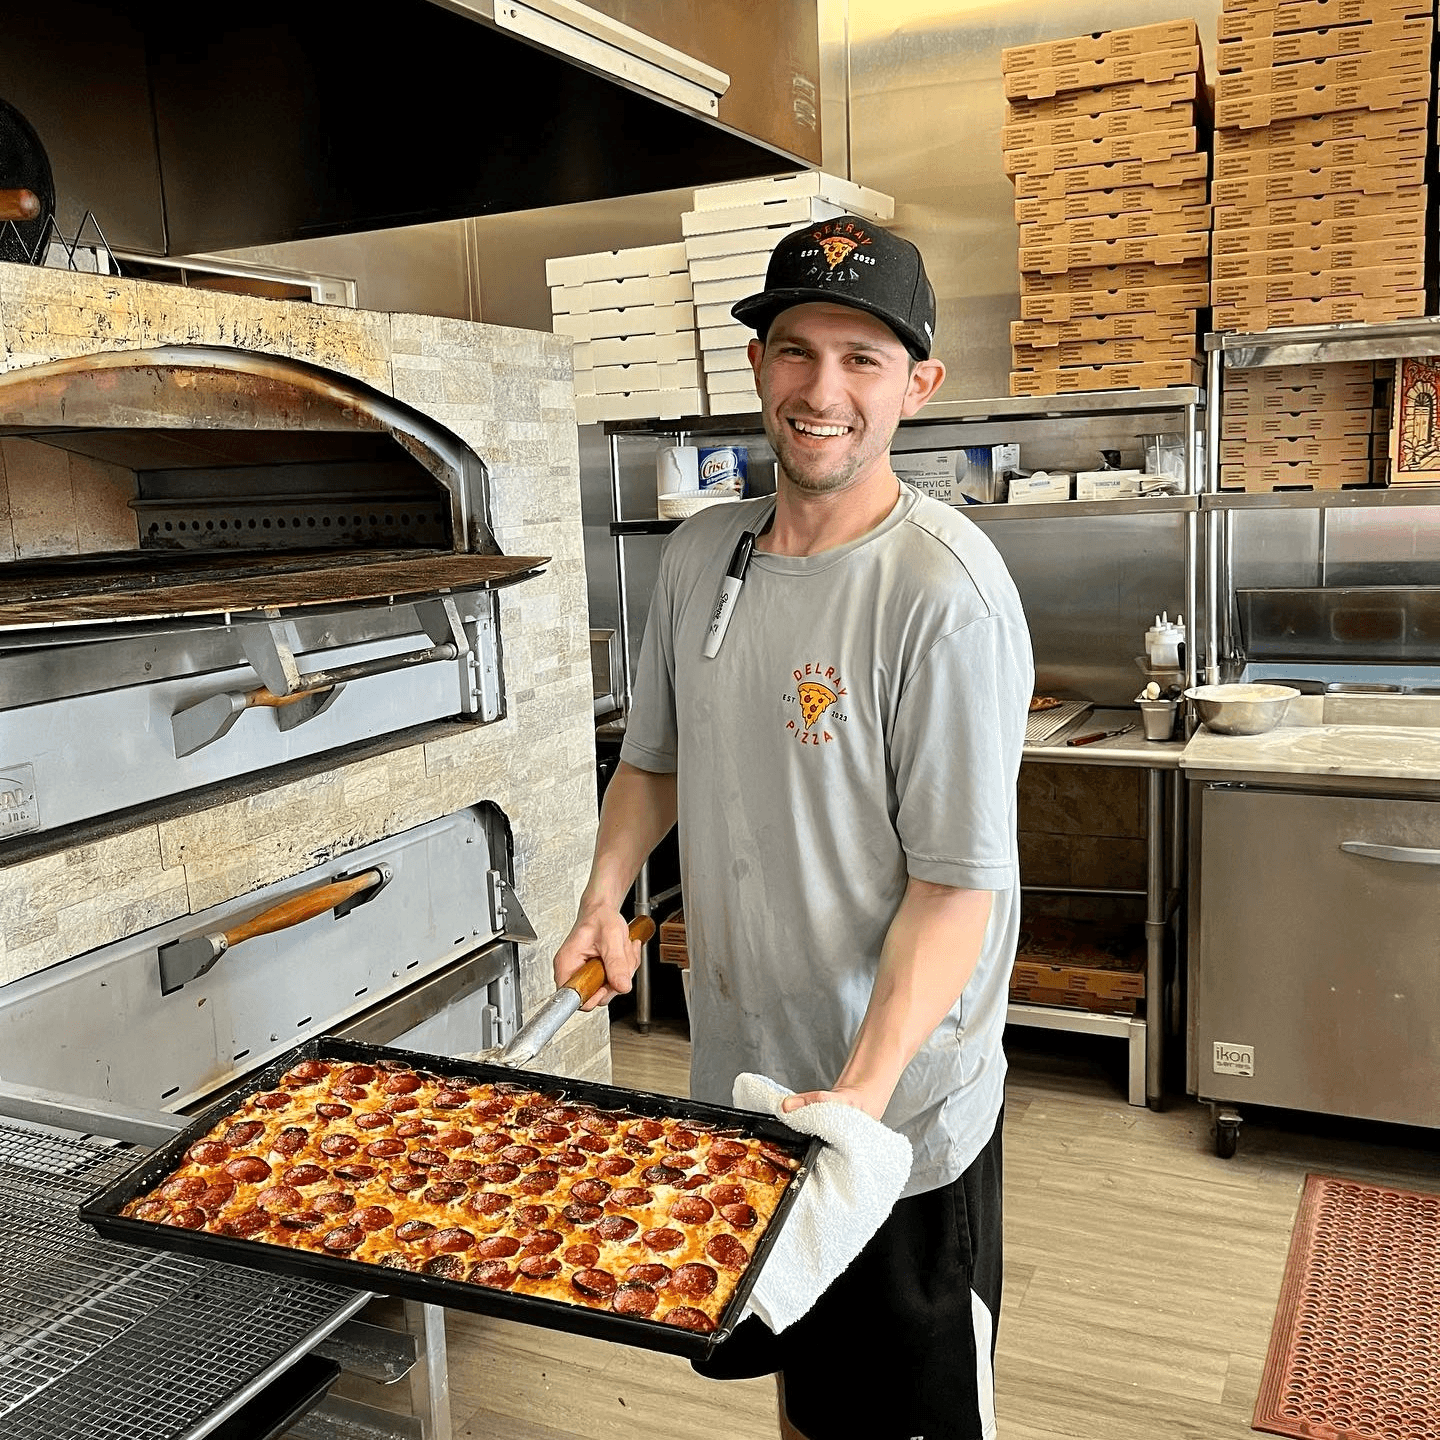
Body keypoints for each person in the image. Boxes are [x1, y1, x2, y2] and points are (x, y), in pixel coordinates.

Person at [554, 214, 1032, 1440]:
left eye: (863, 358)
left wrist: (859, 1106)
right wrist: (609, 895)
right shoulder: (704, 553)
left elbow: (955, 887)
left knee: (912, 1419)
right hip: (754, 1092)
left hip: (895, 1124)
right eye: (796, 351)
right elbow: (654, 760)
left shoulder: (945, 594)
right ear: (757, 366)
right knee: (810, 1400)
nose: (823, 391)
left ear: (918, 384)